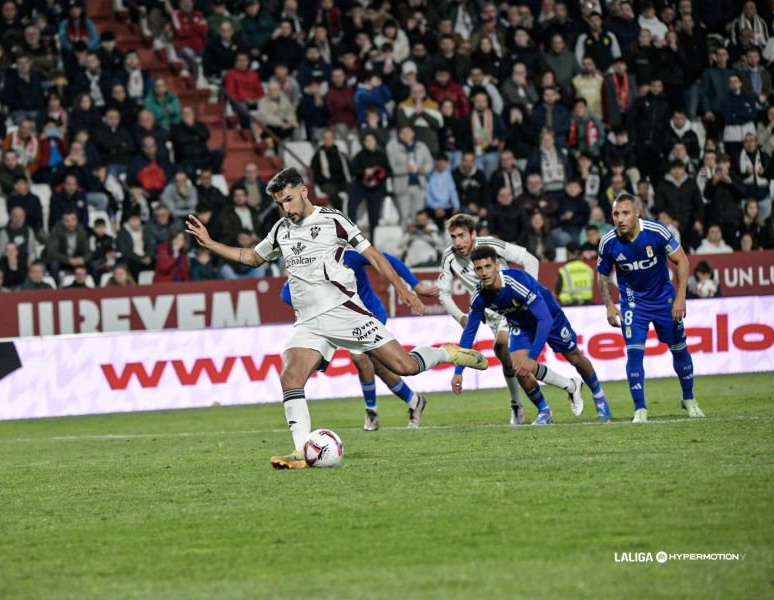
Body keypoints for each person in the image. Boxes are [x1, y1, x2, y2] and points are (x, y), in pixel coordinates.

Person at [185, 168, 489, 469]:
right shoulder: (281, 230)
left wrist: (405, 291)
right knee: (290, 376)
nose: (286, 209)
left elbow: (374, 256)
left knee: (405, 367)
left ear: (304, 191)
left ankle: (446, 352)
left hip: (345, 313)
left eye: (289, 200)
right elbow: (252, 257)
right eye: (280, 203)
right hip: (308, 323)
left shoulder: (332, 220)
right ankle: (301, 451)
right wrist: (210, 244)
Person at [439, 214, 586, 425]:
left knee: (506, 351)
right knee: (511, 361)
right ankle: (564, 388)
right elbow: (463, 323)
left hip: (515, 306)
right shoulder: (458, 269)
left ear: (473, 234)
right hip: (490, 310)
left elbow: (529, 259)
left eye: (461, 235)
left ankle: (526, 406)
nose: (457, 242)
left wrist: (528, 293)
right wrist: (459, 368)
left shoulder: (492, 248)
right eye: (453, 237)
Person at [281, 248, 438, 430]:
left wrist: (415, 285)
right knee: (380, 366)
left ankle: (371, 411)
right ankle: (414, 401)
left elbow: (387, 259)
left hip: (370, 313)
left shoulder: (348, 253)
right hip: (344, 322)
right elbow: (285, 294)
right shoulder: (310, 260)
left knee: (359, 357)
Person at [453, 246, 611, 425]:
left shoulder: (516, 281)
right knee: (517, 366)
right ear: (474, 271)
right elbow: (469, 333)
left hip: (550, 317)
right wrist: (459, 370)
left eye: (488, 266)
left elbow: (544, 319)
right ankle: (544, 410)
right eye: (479, 269)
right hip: (521, 324)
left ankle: (599, 396)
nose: (484, 272)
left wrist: (532, 357)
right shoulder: (479, 296)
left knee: (574, 357)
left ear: (497, 265)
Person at [597, 194, 704, 423]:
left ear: (637, 212)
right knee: (634, 353)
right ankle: (640, 409)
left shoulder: (657, 231)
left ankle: (689, 398)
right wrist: (609, 304)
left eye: (625, 213)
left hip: (664, 300)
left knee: (679, 349)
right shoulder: (608, 241)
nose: (620, 219)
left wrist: (681, 297)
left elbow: (682, 261)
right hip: (633, 304)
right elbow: (602, 275)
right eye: (616, 214)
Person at [556, 242, 594, 306]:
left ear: (568, 253)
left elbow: (557, 291)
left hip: (568, 307)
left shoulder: (563, 271)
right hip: (586, 306)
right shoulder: (589, 270)